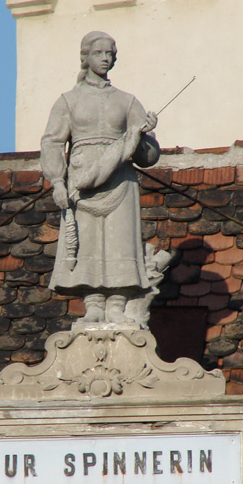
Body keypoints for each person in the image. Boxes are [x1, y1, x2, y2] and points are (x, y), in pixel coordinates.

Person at [40, 31, 161, 325]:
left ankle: (117, 304)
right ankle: (93, 304)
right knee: (88, 242)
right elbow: (52, 143)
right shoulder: (68, 101)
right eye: (99, 53)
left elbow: (148, 157)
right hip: (82, 182)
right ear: (86, 57)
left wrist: (142, 137)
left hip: (120, 181)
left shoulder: (127, 102)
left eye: (110, 54)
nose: (105, 59)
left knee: (120, 241)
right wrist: (57, 181)